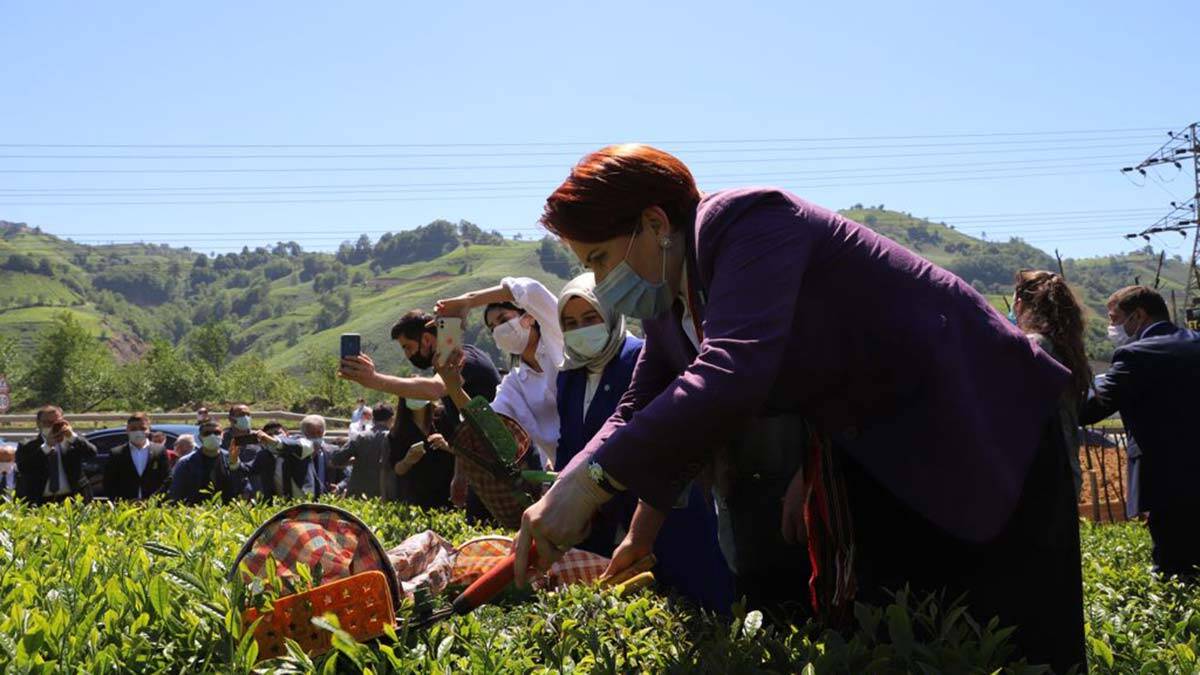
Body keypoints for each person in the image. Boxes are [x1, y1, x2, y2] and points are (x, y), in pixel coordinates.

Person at [513, 144, 1084, 671]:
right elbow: (639, 408)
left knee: (1013, 633)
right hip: (885, 442)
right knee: (907, 636)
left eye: (602, 257)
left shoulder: (749, 223)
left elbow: (729, 374)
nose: (602, 281)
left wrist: (590, 487)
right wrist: (612, 516)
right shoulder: (669, 307)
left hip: (984, 415)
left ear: (656, 224)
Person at [555, 272, 733, 612]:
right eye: (571, 322)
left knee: (698, 601)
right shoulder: (568, 376)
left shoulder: (640, 359)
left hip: (664, 507)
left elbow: (658, 438)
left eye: (590, 318)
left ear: (609, 315)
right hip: (605, 517)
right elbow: (570, 444)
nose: (581, 329)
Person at [1081, 285, 1200, 577]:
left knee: (1175, 570)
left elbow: (1092, 409)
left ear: (1138, 315)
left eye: (1114, 318)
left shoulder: (1136, 354)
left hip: (1166, 480)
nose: (1112, 327)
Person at [339, 309, 502, 521]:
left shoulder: (463, 361)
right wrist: (460, 475)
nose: (407, 355)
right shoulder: (453, 364)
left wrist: (374, 380)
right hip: (483, 468)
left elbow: (434, 389)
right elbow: (467, 425)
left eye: (408, 347)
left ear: (426, 339)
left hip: (497, 468)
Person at [434, 277, 564, 468]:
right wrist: (452, 384)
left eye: (503, 320)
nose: (499, 330)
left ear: (529, 317)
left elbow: (531, 290)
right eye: (492, 328)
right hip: (569, 468)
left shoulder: (559, 341)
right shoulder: (515, 384)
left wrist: (468, 301)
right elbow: (488, 427)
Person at [1011, 270, 1091, 498]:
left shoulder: (1032, 347)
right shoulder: (1068, 349)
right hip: (1065, 470)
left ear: (1021, 303)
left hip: (1036, 474)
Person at [16, 406, 97, 504]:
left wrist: (72, 437)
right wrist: (47, 446)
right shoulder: (26, 445)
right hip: (40, 500)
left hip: (73, 498)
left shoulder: (73, 440)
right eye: (48, 423)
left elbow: (92, 453)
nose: (53, 426)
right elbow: (24, 468)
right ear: (38, 423)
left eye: (57, 422)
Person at [388, 397, 455, 508]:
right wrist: (408, 460)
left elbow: (463, 453)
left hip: (447, 492)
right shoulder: (398, 431)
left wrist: (446, 446)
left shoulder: (443, 418)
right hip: (416, 497)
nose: (416, 396)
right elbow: (397, 469)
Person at [232, 420, 322, 500]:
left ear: (287, 434)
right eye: (269, 435)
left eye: (277, 432)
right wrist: (234, 459)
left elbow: (293, 445)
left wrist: (273, 440)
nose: (273, 436)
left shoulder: (302, 442)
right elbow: (247, 469)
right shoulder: (264, 455)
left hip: (307, 502)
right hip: (279, 507)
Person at [167, 420, 246, 504]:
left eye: (216, 433)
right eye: (207, 433)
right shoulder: (186, 462)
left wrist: (234, 464)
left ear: (222, 435)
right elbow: (176, 492)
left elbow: (241, 487)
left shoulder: (231, 457)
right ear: (200, 437)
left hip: (225, 511)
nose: (212, 436)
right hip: (196, 512)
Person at [331, 403, 397, 499]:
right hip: (386, 496)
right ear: (391, 419)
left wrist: (353, 461)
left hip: (358, 495)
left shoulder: (360, 437)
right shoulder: (395, 439)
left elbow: (336, 460)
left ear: (373, 418)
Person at [103, 412, 171, 501]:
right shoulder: (116, 453)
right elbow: (109, 483)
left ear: (149, 430)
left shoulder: (159, 450)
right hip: (126, 506)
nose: (138, 432)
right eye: (133, 429)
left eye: (143, 428)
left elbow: (167, 479)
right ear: (127, 429)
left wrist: (152, 500)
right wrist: (120, 502)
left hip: (153, 506)